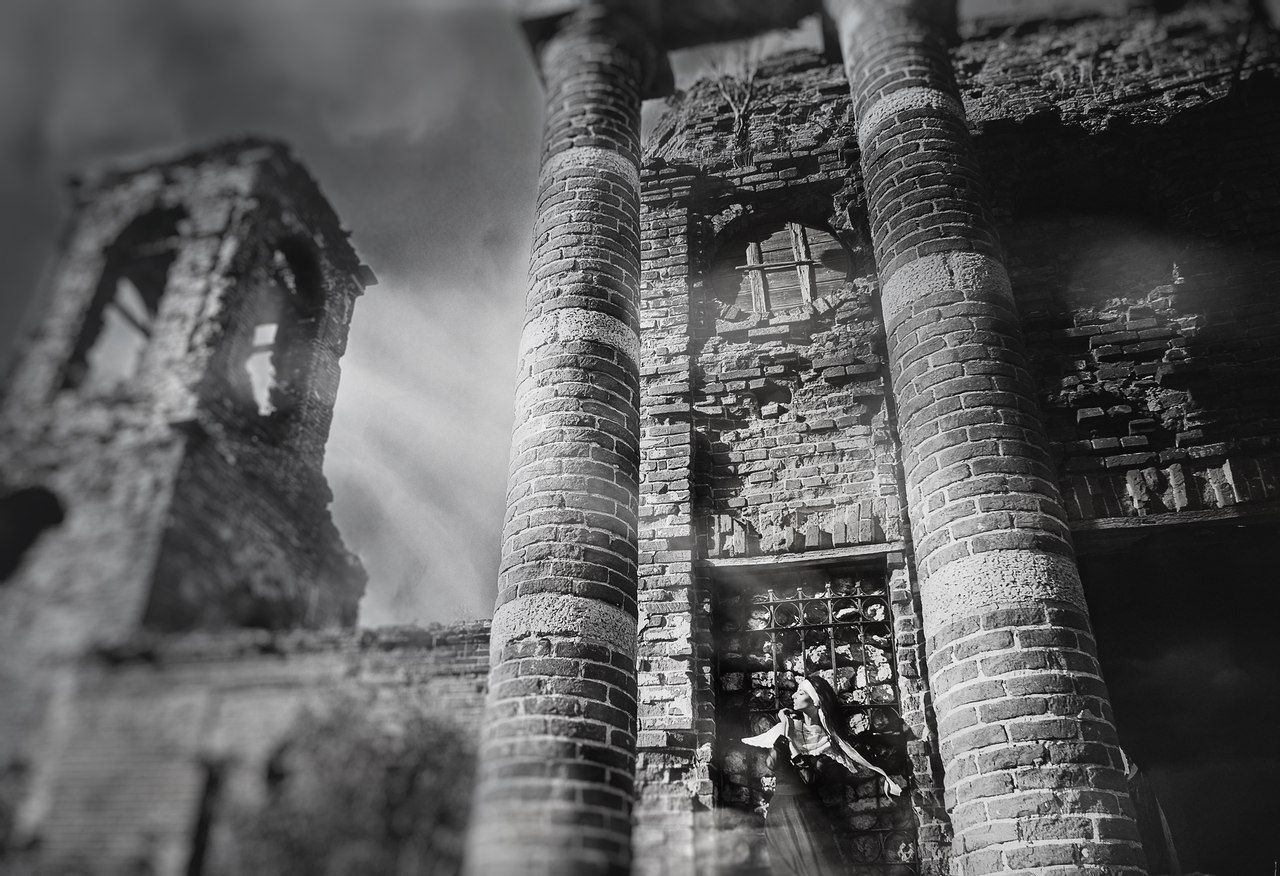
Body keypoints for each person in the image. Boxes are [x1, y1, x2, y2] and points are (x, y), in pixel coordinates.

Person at [742, 676, 904, 875]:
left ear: (815, 700)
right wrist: (785, 729)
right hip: (779, 812)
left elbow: (808, 779)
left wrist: (791, 746)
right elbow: (772, 763)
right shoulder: (787, 727)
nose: (793, 696)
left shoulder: (827, 740)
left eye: (801, 692)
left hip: (807, 812)